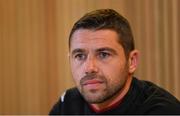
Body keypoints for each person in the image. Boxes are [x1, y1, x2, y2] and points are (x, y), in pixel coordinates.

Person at [49, 9, 180, 114]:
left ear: (132, 61)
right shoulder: (67, 105)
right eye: (79, 56)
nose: (89, 68)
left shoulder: (162, 110)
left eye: (103, 54)